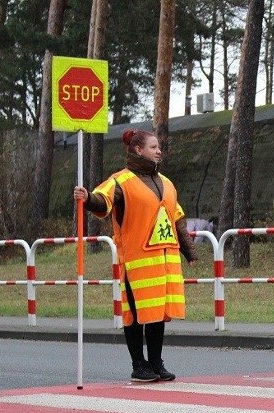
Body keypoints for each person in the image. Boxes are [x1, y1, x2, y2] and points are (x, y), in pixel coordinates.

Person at [73, 129, 198, 382]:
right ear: (138, 150)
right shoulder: (121, 181)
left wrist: (189, 252)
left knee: (157, 314)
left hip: (165, 264)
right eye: (153, 147)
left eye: (158, 147)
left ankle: (156, 363)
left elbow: (176, 219)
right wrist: (87, 199)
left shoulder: (167, 183)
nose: (158, 151)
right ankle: (138, 364)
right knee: (135, 314)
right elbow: (102, 200)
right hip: (136, 264)